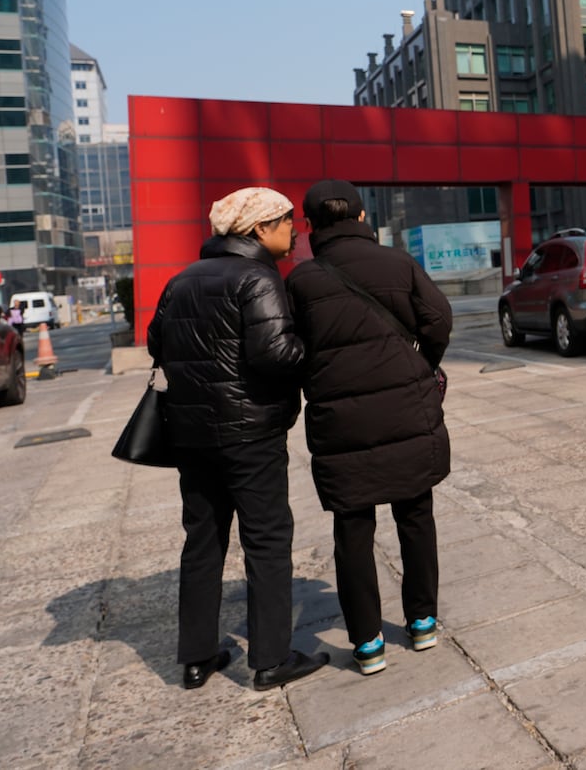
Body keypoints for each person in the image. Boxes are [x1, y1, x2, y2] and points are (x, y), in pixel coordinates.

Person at [146, 186, 329, 692]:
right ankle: (271, 659)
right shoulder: (258, 277)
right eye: (285, 221)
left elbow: (155, 341)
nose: (293, 230)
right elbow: (276, 354)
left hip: (190, 437)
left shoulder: (181, 280)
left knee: (202, 543)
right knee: (267, 540)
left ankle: (197, 658)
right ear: (256, 230)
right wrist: (312, 345)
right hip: (250, 436)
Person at [284, 180, 453, 676]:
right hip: (407, 409)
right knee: (416, 515)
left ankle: (367, 643)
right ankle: (421, 623)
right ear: (362, 218)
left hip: (341, 423)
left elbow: (288, 351)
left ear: (310, 228)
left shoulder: (301, 281)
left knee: (352, 528)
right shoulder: (398, 263)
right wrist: (423, 365)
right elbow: (438, 319)